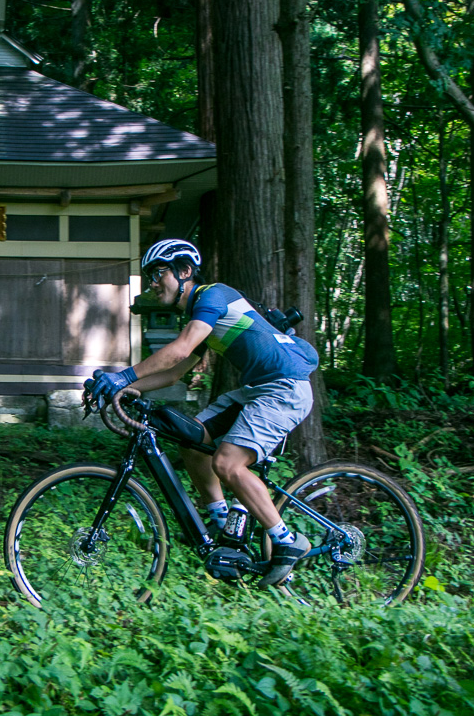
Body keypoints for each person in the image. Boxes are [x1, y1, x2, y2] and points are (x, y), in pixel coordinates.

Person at [85, 238, 319, 587]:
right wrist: (124, 388)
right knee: (192, 442)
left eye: (158, 273)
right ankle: (221, 521)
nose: (152, 282)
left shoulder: (212, 296)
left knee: (227, 463)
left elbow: (179, 351)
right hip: (259, 389)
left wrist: (124, 376)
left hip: (285, 387)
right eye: (149, 275)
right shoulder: (202, 314)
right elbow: (174, 374)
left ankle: (287, 541)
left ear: (184, 271)